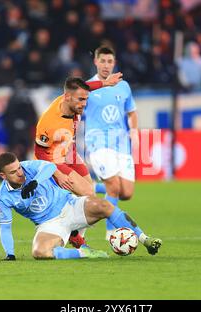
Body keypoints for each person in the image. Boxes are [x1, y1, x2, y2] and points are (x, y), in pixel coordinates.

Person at [0, 152, 162, 260]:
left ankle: (145, 239)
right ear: (3, 176)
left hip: (70, 205)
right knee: (40, 252)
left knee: (104, 206)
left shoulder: (27, 167)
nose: (20, 173)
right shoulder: (2, 198)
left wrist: (35, 182)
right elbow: (5, 227)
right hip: (48, 224)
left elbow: (50, 166)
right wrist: (10, 254)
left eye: (19, 168)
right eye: (13, 172)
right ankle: (84, 252)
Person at [34, 75, 122, 247]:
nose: (84, 103)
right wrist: (57, 174)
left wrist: (105, 83)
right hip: (53, 160)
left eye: (86, 99)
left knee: (89, 195)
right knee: (88, 195)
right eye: (81, 100)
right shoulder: (49, 122)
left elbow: (84, 87)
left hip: (68, 150)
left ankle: (75, 234)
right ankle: (73, 235)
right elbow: (40, 154)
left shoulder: (70, 98)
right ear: (67, 97)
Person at [82, 46, 139, 240]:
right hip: (98, 143)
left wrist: (134, 131)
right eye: (102, 61)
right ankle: (112, 232)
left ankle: (89, 186)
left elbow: (131, 111)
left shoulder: (123, 86)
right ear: (95, 62)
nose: (106, 65)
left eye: (110, 61)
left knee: (127, 193)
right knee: (114, 186)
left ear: (114, 63)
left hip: (122, 144)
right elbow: (75, 109)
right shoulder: (87, 88)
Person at [3, 79, 38, 161]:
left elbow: (34, 118)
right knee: (10, 158)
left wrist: (25, 124)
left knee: (23, 156)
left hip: (25, 134)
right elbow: (7, 118)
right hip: (13, 134)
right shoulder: (11, 101)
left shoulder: (28, 102)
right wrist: (14, 124)